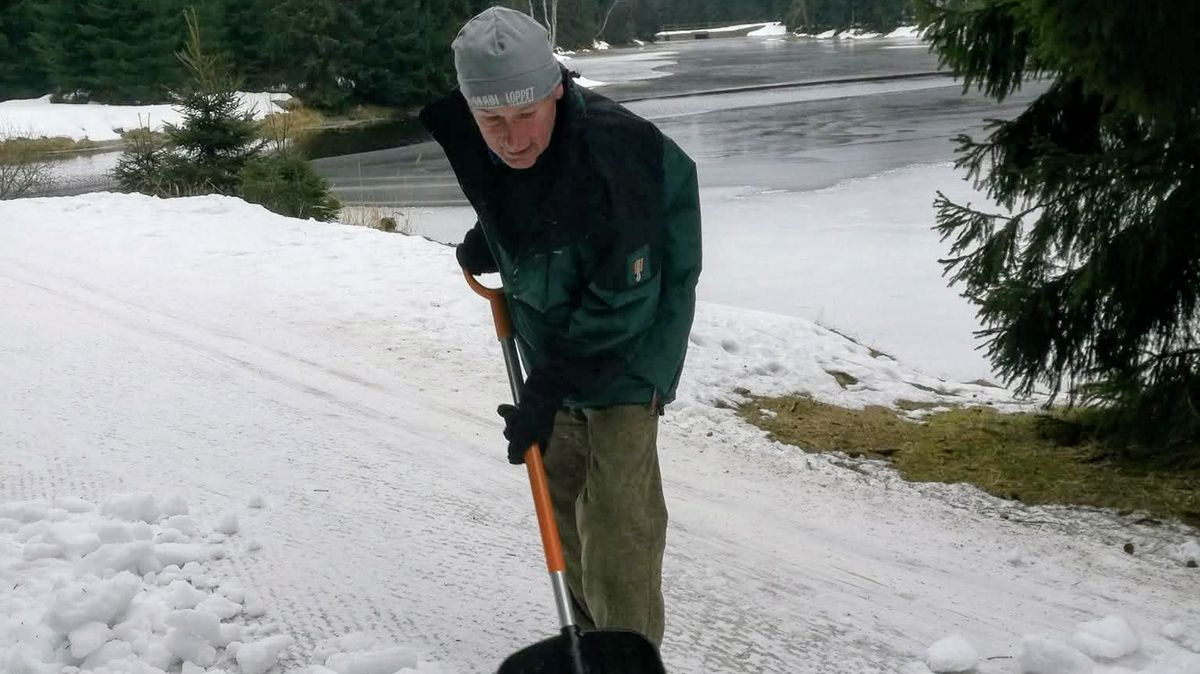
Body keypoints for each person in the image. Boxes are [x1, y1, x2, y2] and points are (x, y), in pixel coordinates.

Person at [420, 6, 702, 648]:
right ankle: (591, 643)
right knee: (563, 506)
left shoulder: (617, 156)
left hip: (631, 341)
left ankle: (628, 654)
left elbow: (622, 304)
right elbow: (525, 195)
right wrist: (493, 236)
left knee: (616, 530)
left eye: (527, 116)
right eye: (493, 120)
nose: (512, 138)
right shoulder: (490, 136)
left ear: (558, 90)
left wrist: (543, 390)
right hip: (552, 333)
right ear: (472, 109)